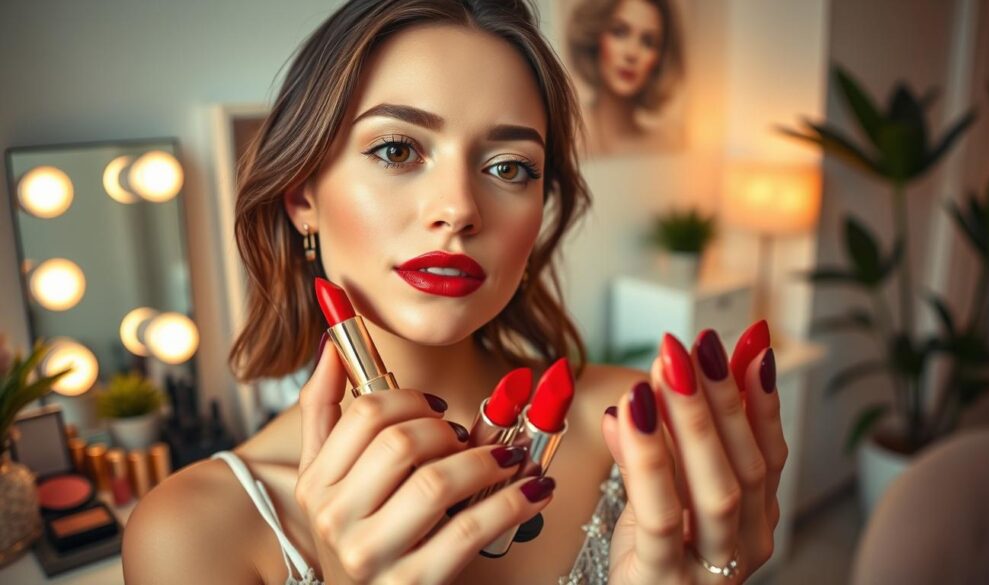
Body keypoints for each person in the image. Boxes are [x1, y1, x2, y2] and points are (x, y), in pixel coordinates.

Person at [123, 1, 785, 583]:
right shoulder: (190, 534)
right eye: (396, 150)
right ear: (303, 198)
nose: (459, 208)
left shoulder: (633, 429)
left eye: (509, 166)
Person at [566, 0, 685, 158]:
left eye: (648, 42)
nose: (632, 53)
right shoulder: (566, 134)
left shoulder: (669, 145)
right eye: (619, 32)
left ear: (660, 59)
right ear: (595, 37)